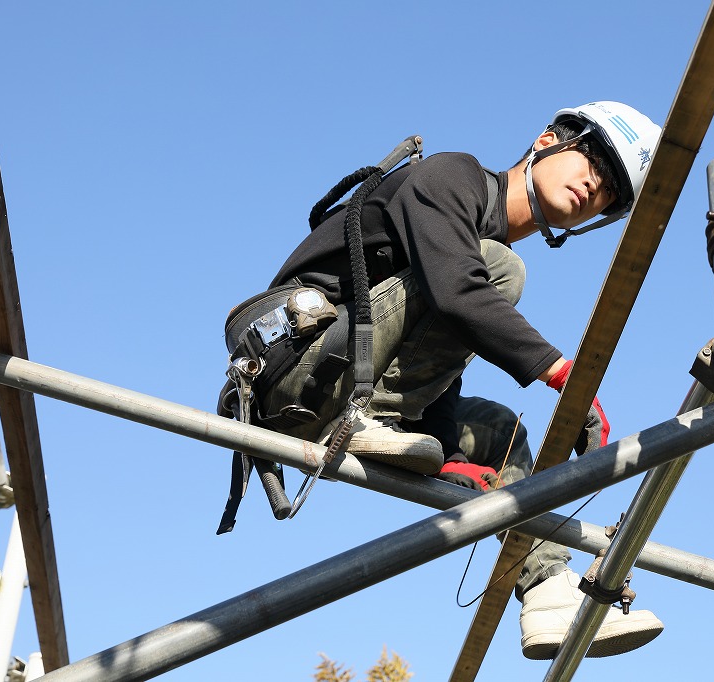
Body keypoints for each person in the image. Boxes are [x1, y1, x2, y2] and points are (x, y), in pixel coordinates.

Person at [227, 101, 664, 659]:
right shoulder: (451, 176)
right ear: (548, 139)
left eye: (611, 190)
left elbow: (426, 352)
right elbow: (458, 292)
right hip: (298, 370)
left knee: (503, 434)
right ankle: (366, 420)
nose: (594, 185)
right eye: (594, 159)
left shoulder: (471, 248)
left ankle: (546, 589)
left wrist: (462, 466)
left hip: (354, 374)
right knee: (499, 271)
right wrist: (565, 377)